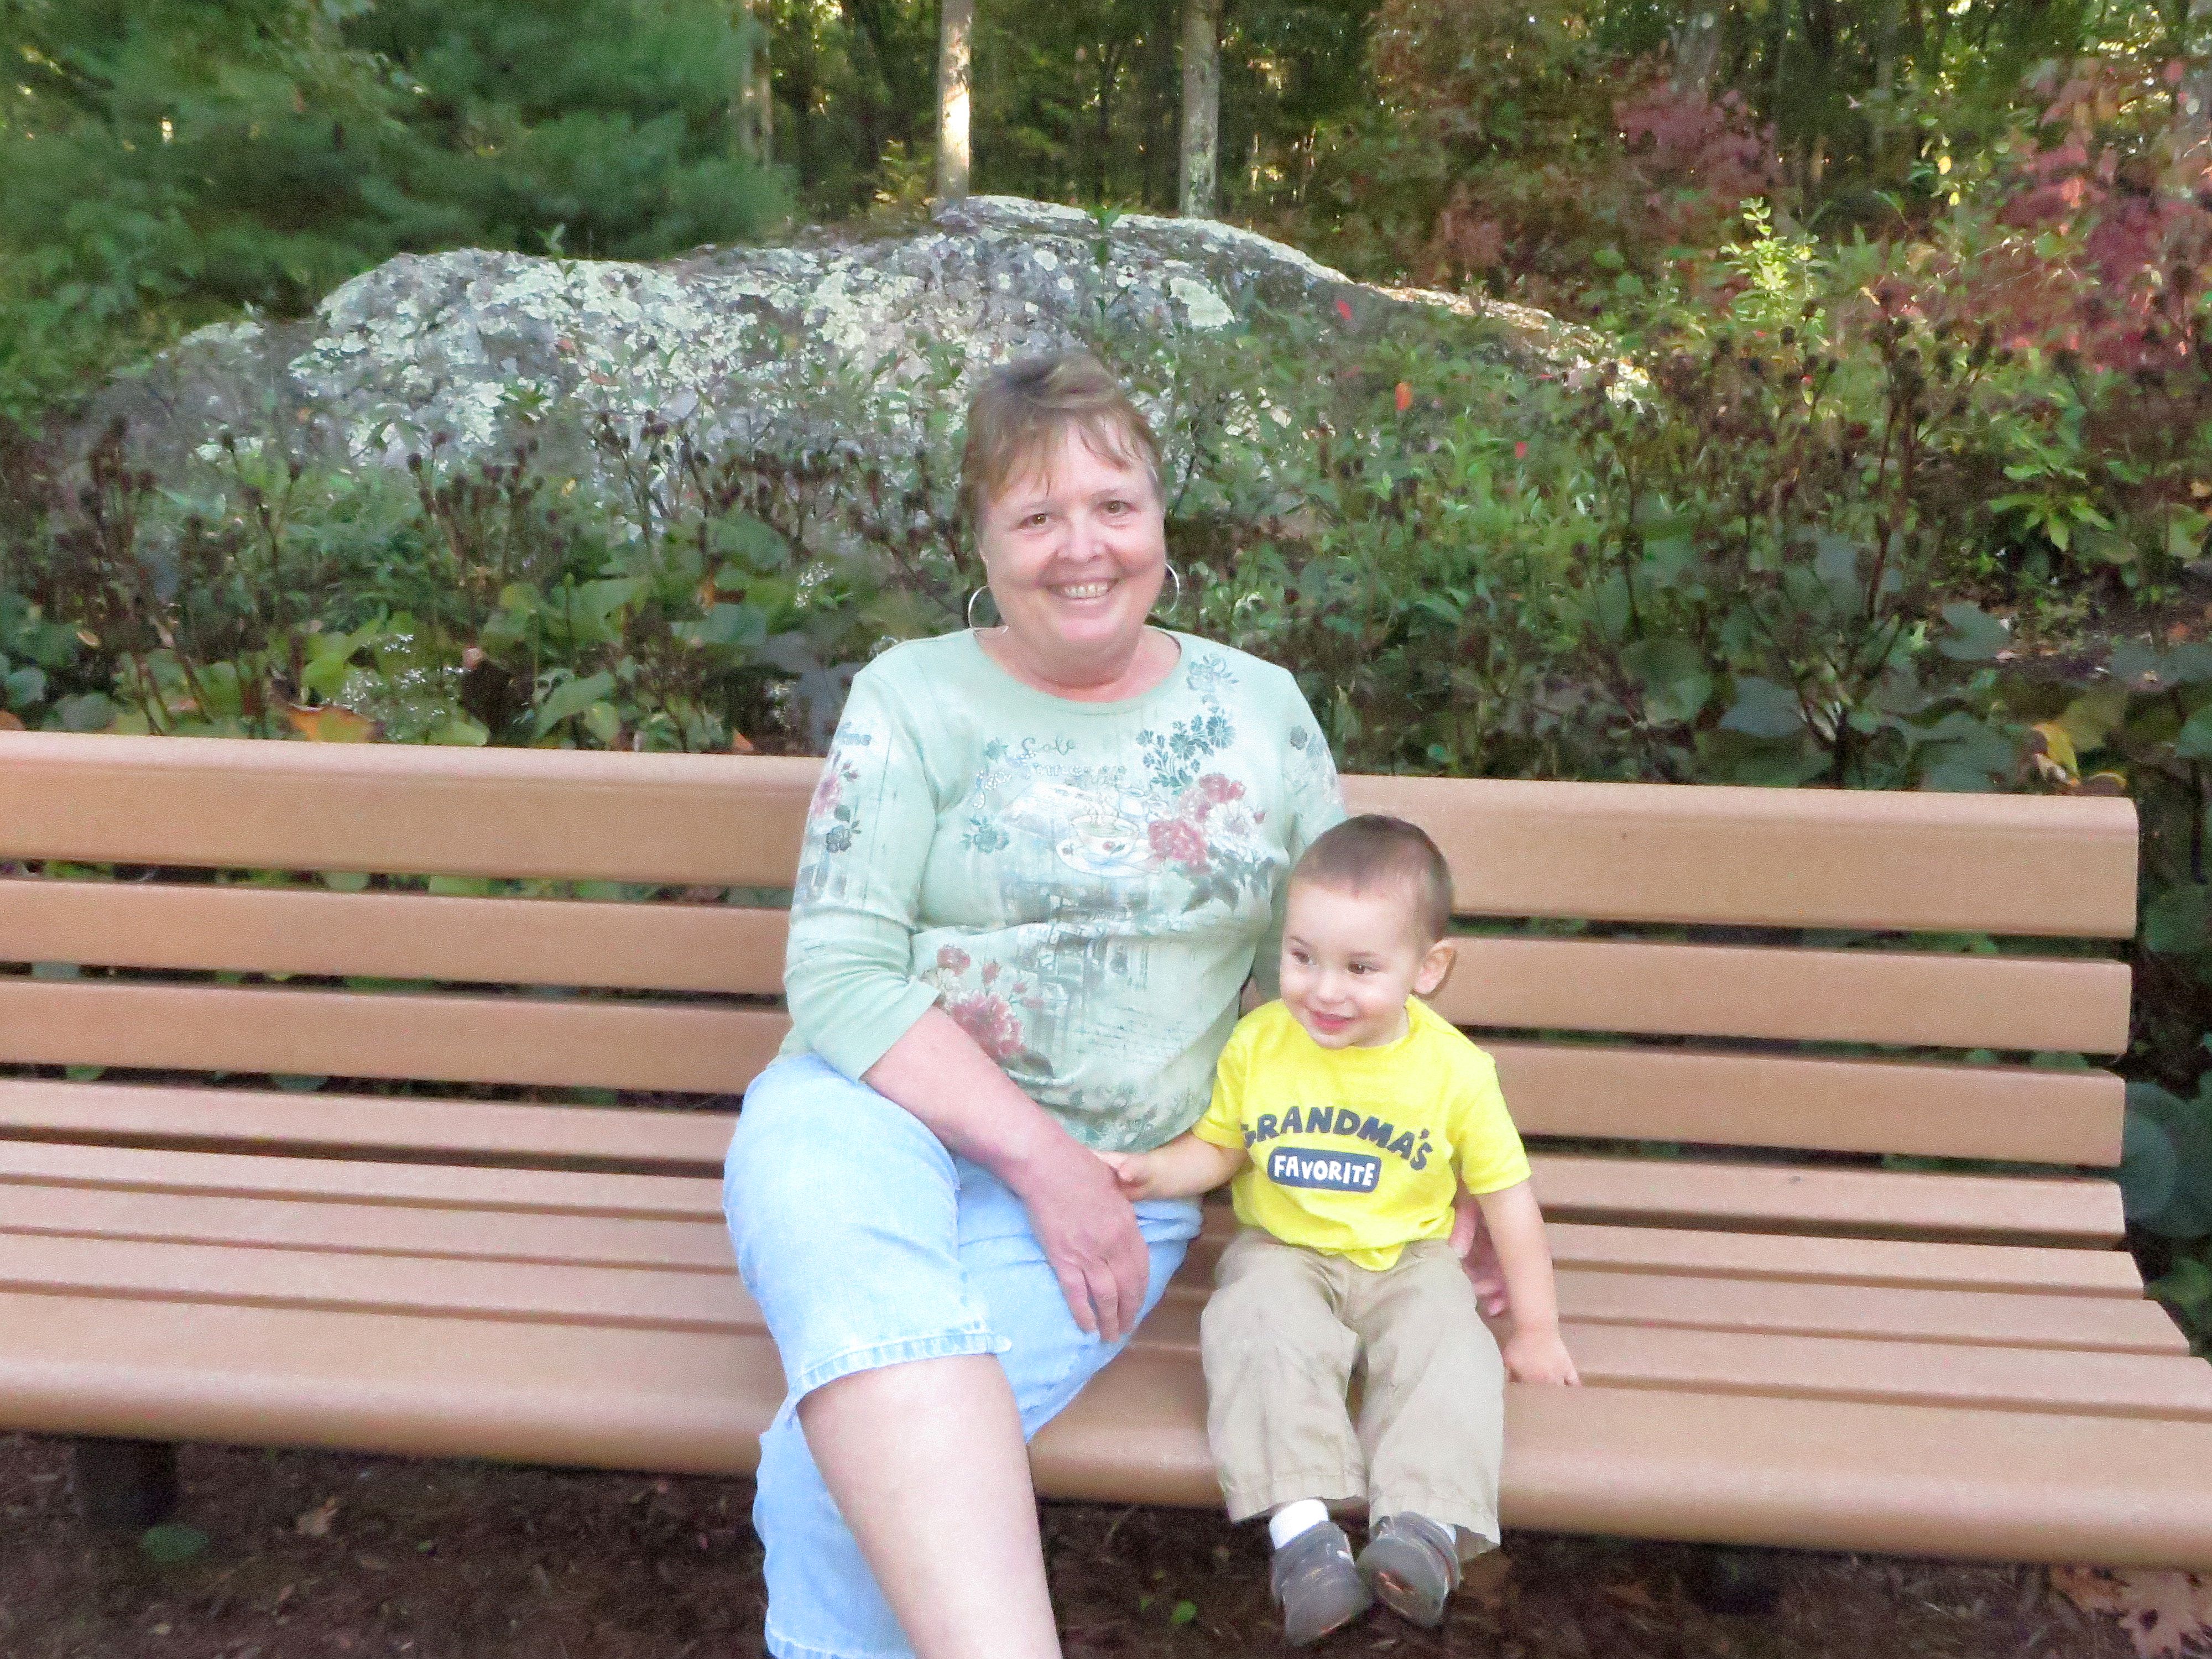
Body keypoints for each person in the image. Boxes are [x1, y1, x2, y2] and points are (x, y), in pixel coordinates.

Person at [721, 348, 1347, 1659]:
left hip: (1123, 1171)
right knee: (876, 1410)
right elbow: (839, 972)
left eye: (1114, 506)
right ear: (984, 541)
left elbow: (1332, 979)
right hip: (862, 1114)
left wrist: (1426, 1168)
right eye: (1037, 515)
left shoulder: (1260, 713)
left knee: (834, 1466)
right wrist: (1035, 1157)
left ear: (1161, 522)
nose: (1082, 548)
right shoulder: (911, 696)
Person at [1102, 814, 1580, 1646]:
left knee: (1451, 1345)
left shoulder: (1456, 1072)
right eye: (1303, 957)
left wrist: (1537, 1330)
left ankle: (1422, 1531)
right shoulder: (1259, 1043)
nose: (1325, 991)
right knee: (1253, 1325)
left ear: (1429, 969)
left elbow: (1508, 1200)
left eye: (1360, 968)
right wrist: (1154, 1171)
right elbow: (1223, 1148)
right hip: (1283, 1252)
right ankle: (1305, 1542)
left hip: (1413, 1258)